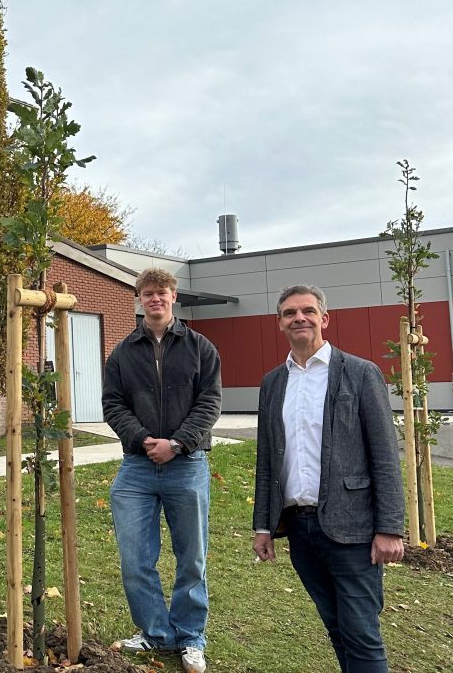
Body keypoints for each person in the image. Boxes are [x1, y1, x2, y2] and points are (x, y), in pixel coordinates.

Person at [252, 285, 404, 672]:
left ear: (324, 318)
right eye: (289, 313)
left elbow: (385, 456)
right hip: (300, 530)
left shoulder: (359, 373)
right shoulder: (273, 383)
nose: (298, 318)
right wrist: (263, 526)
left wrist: (390, 528)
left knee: (361, 633)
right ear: (279, 323)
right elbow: (268, 458)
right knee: (336, 628)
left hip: (353, 529)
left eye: (307, 311)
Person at [102, 267, 221, 673]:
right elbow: (113, 405)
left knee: (192, 557)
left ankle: (191, 637)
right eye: (147, 293)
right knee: (135, 558)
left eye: (162, 293)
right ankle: (156, 632)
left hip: (187, 464)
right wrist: (143, 441)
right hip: (136, 467)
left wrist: (178, 443)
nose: (155, 299)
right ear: (139, 299)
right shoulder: (122, 352)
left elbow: (210, 402)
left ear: (174, 297)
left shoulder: (201, 348)